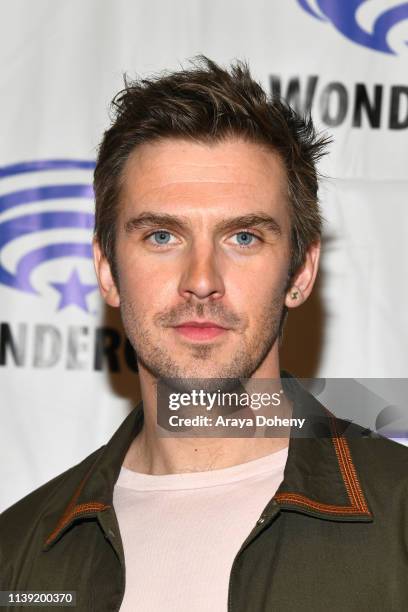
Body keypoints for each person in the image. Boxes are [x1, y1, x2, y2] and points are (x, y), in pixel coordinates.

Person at [1, 56, 408, 612]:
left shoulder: (399, 519)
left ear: (301, 271)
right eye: (162, 235)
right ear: (105, 269)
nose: (201, 281)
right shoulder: (17, 554)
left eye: (243, 237)